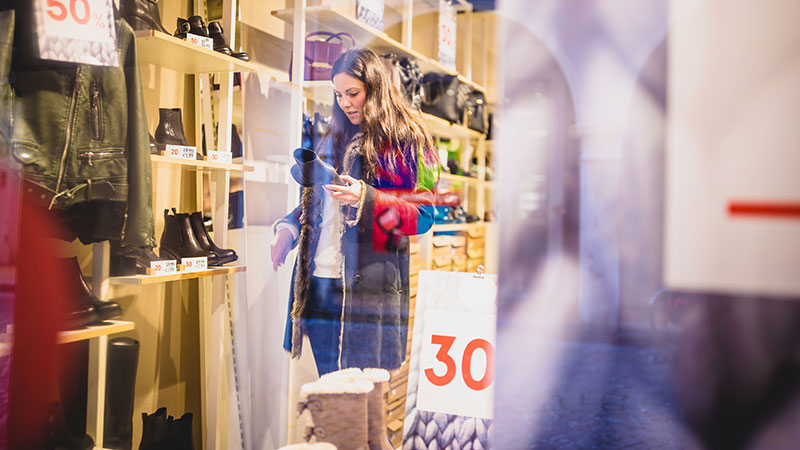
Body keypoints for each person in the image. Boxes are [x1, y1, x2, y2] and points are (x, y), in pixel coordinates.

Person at [270, 48, 438, 375]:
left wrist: (366, 197)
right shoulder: (336, 134)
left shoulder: (411, 138)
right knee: (330, 401)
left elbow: (425, 215)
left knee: (359, 410)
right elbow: (321, 199)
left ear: (375, 88)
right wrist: (289, 228)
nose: (345, 103)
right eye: (338, 94)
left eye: (353, 93)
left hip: (367, 297)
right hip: (319, 288)